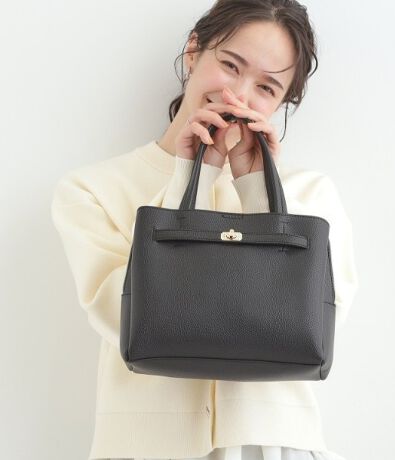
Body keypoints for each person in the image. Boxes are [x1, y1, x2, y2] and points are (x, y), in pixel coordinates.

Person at [51, 1, 359, 459]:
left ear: (282, 103)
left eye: (267, 87)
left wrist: (258, 191)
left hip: (270, 445)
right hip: (147, 448)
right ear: (194, 52)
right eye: (230, 65)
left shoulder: (310, 197)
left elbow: (313, 326)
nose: (239, 94)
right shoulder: (92, 189)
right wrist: (188, 178)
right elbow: (122, 316)